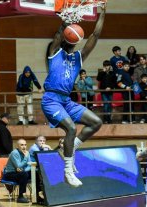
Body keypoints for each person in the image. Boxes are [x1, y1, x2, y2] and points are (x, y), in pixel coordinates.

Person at [41, 4, 106, 187]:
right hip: (51, 99)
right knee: (71, 128)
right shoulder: (54, 54)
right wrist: (66, 20)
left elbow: (95, 36)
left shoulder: (78, 57)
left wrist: (103, 12)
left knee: (96, 122)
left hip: (66, 101)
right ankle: (68, 170)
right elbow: (57, 35)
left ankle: (71, 146)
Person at [4, 138, 31, 203]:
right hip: (10, 173)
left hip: (20, 172)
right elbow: (19, 166)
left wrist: (23, 170)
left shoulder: (27, 153)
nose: (24, 147)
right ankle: (20, 197)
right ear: (17, 146)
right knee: (24, 174)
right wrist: (25, 158)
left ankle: (38, 196)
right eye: (22, 145)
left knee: (36, 173)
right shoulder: (14, 153)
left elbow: (30, 165)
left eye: (25, 145)